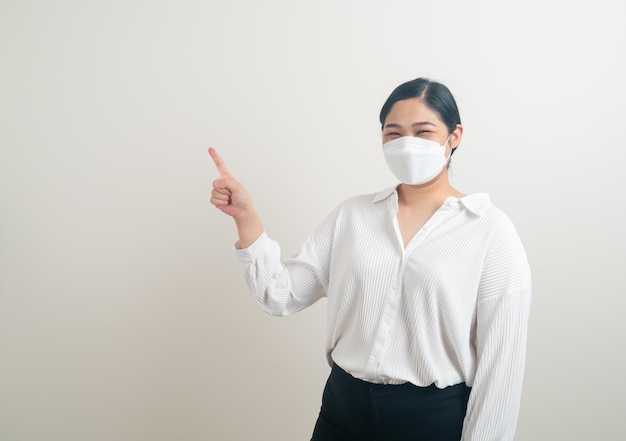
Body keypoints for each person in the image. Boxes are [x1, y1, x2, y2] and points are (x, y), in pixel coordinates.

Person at [209, 77, 532, 441]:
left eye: (422, 131)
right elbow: (279, 295)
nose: (407, 144)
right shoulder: (353, 216)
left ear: (454, 135)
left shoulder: (490, 231)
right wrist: (246, 218)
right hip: (342, 412)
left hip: (432, 421)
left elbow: (500, 368)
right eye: (393, 133)